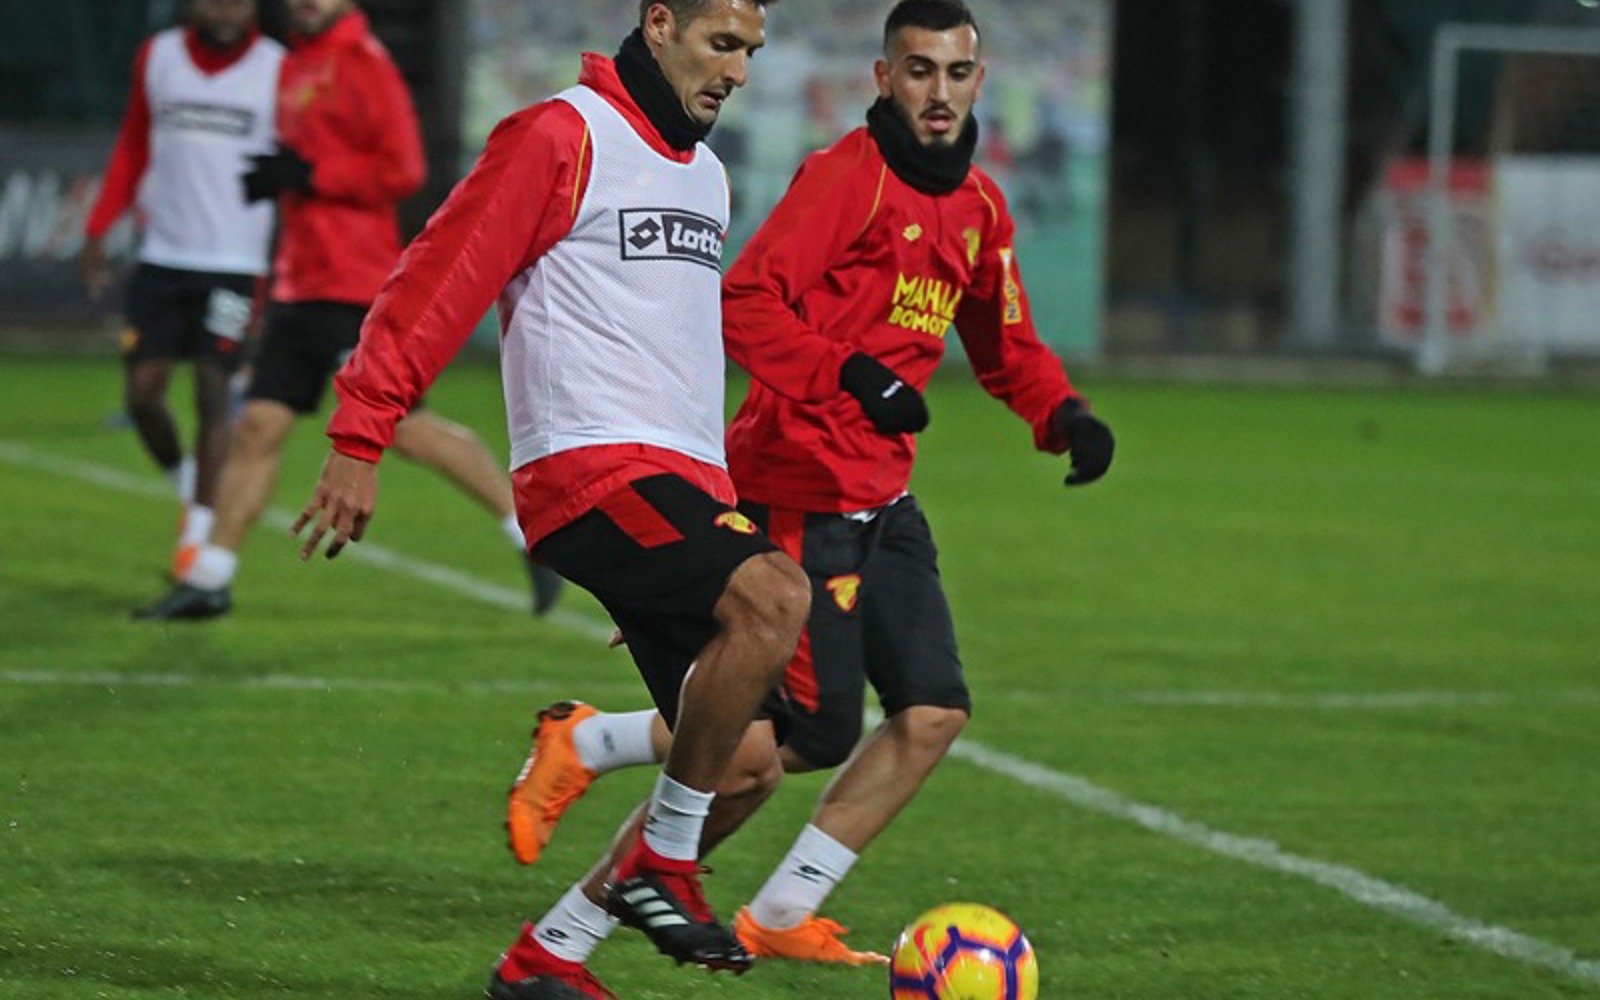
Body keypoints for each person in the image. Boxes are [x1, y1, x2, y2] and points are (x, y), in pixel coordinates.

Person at [503, 0, 1115, 973]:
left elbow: (1007, 344)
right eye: (918, 70)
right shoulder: (847, 179)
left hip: (883, 497)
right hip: (797, 485)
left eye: (956, 73)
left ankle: (777, 906)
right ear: (884, 77)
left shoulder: (980, 208)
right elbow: (746, 301)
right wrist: (849, 374)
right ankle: (591, 825)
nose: (939, 92)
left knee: (932, 712)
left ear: (979, 81)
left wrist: (1063, 415)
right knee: (781, 743)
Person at [288, 2, 801, 997]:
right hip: (585, 469)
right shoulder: (561, 135)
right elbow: (438, 280)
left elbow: (683, 372)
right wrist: (361, 433)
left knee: (745, 764)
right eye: (721, 44)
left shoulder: (705, 174)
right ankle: (663, 865)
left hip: (671, 490)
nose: (737, 72)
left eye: (749, 52)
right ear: (661, 24)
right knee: (777, 597)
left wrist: (691, 553)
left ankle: (547, 958)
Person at [134, 0, 562, 620]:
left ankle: (530, 536)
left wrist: (312, 173)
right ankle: (209, 578)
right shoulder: (295, 62)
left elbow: (404, 170)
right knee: (258, 427)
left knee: (406, 431)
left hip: (356, 286)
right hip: (299, 285)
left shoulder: (364, 64)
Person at [82, 0, 283, 580]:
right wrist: (99, 225)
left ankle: (199, 529)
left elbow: (300, 163)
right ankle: (186, 482)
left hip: (236, 262)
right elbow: (134, 144)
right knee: (142, 397)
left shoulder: (279, 68)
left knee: (214, 392)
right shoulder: (160, 56)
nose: (225, 8)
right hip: (164, 257)